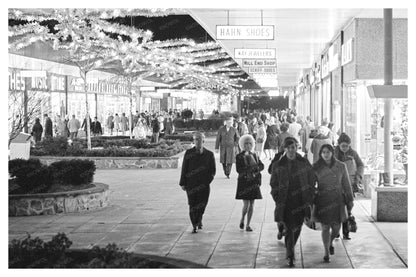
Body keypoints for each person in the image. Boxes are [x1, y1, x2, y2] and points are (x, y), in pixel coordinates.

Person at [269, 137, 315, 267]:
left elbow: (312, 178)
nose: (291, 150)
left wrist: (310, 193)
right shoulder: (278, 164)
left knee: (298, 226)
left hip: (301, 200)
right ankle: (290, 255)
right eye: (288, 147)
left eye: (293, 147)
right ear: (285, 149)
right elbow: (273, 183)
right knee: (290, 227)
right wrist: (276, 196)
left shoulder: (304, 162)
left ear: (296, 148)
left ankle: (290, 245)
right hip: (285, 201)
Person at [312, 144, 354, 263]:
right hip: (323, 200)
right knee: (325, 226)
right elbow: (310, 184)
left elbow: (346, 184)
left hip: (338, 200)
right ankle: (326, 252)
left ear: (332, 153)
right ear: (320, 153)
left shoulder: (341, 166)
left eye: (328, 152)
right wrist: (312, 195)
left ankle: (330, 242)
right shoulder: (316, 167)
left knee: (336, 227)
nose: (326, 154)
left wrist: (350, 200)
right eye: (323, 152)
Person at [179, 132, 216, 233]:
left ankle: (199, 219)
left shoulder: (209, 154)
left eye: (199, 139)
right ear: (193, 141)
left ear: (203, 141)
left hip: (204, 185)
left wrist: (207, 181)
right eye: (196, 139)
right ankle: (194, 224)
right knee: (192, 204)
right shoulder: (188, 153)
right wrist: (182, 183)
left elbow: (212, 171)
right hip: (191, 184)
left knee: (202, 204)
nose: (198, 141)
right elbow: (184, 168)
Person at [334, 133, 364, 240]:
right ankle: (336, 231)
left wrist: (358, 177)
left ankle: (346, 233)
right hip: (336, 184)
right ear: (339, 145)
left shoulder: (354, 153)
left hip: (350, 184)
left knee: (348, 207)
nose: (345, 148)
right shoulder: (334, 153)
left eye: (347, 146)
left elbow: (360, 165)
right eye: (342, 146)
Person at [235, 134, 264, 232]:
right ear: (242, 145)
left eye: (250, 143)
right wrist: (250, 169)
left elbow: (261, 166)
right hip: (244, 182)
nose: (248, 145)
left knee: (252, 204)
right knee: (246, 204)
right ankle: (243, 218)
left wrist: (256, 169)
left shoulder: (255, 155)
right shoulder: (239, 156)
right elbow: (239, 170)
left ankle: (248, 224)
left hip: (254, 181)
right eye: (246, 143)